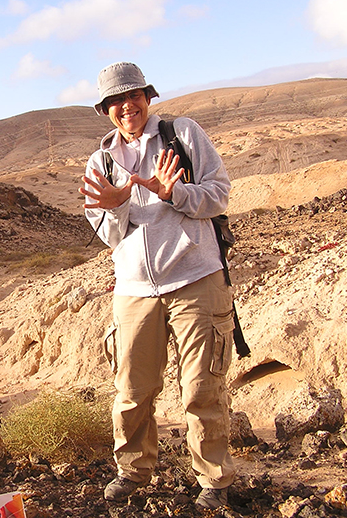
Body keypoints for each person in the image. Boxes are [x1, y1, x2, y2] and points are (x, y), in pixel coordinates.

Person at [79, 61, 236, 510]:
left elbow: (219, 194)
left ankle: (214, 478)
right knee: (132, 388)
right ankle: (133, 471)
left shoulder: (182, 135)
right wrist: (118, 204)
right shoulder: (101, 161)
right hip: (133, 289)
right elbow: (106, 235)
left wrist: (174, 194)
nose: (127, 106)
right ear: (106, 109)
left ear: (147, 97)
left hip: (195, 279)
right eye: (116, 100)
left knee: (202, 386)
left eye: (134, 96)